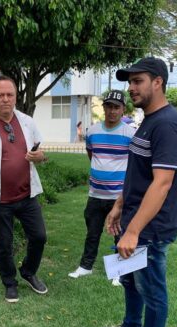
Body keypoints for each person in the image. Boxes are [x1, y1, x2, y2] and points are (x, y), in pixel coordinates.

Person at [101, 57, 177, 327]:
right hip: (134, 217)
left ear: (158, 82)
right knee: (129, 279)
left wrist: (134, 230)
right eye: (130, 82)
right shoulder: (148, 121)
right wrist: (119, 206)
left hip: (152, 225)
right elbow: (139, 174)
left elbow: (161, 183)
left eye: (138, 81)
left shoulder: (167, 124)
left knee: (151, 287)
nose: (131, 88)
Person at [0, 75, 47, 303]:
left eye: (9, 95)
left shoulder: (27, 122)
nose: (5, 99)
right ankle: (10, 282)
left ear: (15, 97)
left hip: (27, 194)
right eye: (0, 95)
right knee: (4, 244)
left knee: (39, 237)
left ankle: (28, 271)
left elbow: (41, 154)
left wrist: (40, 157)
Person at [68, 90, 134, 286]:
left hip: (119, 196)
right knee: (92, 233)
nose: (112, 111)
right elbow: (92, 155)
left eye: (116, 107)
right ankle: (86, 266)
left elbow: (135, 164)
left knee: (120, 234)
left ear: (123, 110)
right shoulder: (93, 131)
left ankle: (120, 272)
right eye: (108, 106)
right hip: (95, 194)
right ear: (103, 108)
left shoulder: (130, 134)